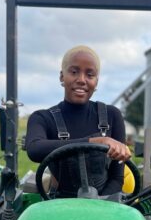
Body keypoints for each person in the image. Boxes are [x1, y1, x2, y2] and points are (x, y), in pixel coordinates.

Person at [25, 45, 131, 197]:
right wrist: (97, 142)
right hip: (60, 206)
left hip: (104, 206)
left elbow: (117, 178)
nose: (81, 80)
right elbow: (34, 150)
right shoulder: (42, 118)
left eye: (90, 75)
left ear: (97, 81)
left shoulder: (112, 115)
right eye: (74, 72)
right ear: (62, 76)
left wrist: (97, 205)